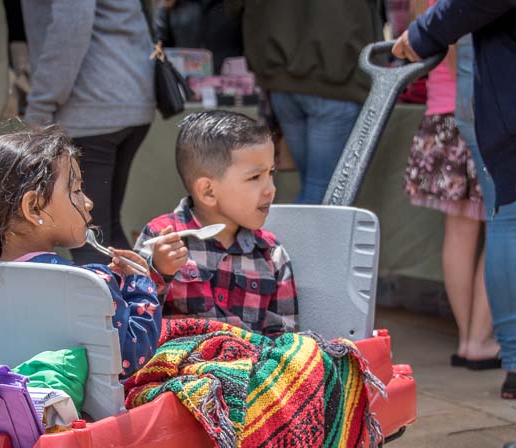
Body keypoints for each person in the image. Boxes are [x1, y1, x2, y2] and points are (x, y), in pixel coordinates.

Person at [392, 0, 516, 448]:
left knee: (494, 225)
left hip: (471, 111)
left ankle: (498, 351)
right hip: (485, 110)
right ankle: (503, 352)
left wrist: (426, 30)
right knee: (504, 225)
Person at [0, 128, 161, 378]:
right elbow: (132, 356)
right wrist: (140, 285)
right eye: (76, 191)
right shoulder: (87, 284)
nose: (89, 202)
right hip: (76, 413)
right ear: (33, 208)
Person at [134, 110, 298, 337]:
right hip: (180, 366)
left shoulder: (270, 253)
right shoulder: (161, 238)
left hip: (248, 367)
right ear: (208, 191)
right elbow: (134, 321)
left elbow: (283, 335)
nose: (271, 188)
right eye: (255, 177)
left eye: (271, 173)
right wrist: (159, 271)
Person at [20, 0, 155, 264]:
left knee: (87, 236)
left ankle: (120, 305)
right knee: (104, 232)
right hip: (125, 99)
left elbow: (71, 27)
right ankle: (138, 302)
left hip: (91, 107)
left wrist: (40, 105)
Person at [402, 0, 498, 370]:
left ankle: (467, 337)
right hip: (484, 115)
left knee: (458, 233)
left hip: (440, 120)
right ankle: (481, 338)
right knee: (508, 229)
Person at [230, 0, 384, 204]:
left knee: (316, 187)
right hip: (335, 77)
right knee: (323, 192)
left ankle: (287, 236)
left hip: (283, 77)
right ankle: (287, 237)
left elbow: (232, 8)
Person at [454, 34, 516, 398]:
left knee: (504, 219)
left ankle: (515, 361)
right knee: (510, 222)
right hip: (504, 79)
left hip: (476, 79)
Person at [154, 0, 243, 74]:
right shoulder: (172, 6)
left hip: (233, 86)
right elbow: (160, 46)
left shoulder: (236, 5)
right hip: (185, 86)